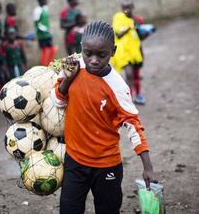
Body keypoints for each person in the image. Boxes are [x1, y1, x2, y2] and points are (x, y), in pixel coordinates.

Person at [51, 21, 158, 214]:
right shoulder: (72, 65)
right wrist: (68, 78)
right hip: (74, 160)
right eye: (87, 53)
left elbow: (133, 124)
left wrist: (148, 167)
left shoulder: (117, 86)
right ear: (81, 48)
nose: (93, 60)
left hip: (106, 165)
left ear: (113, 51)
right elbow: (57, 101)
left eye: (101, 55)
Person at [111, 0, 145, 105]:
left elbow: (139, 37)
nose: (126, 10)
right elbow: (118, 34)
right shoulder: (118, 18)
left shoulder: (137, 20)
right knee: (129, 75)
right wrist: (129, 27)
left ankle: (138, 95)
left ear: (132, 8)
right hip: (123, 53)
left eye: (129, 7)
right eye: (124, 8)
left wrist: (141, 52)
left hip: (135, 51)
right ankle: (128, 98)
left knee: (136, 75)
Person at [33, 0, 57, 66]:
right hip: (42, 35)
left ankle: (49, 65)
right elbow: (37, 24)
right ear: (40, 1)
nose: (46, 1)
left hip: (47, 34)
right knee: (45, 51)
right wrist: (46, 29)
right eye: (45, 0)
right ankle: (44, 66)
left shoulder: (45, 8)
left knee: (52, 49)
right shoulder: (37, 10)